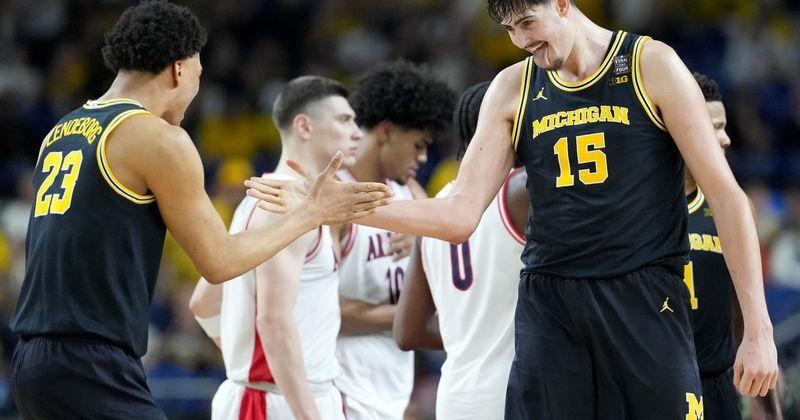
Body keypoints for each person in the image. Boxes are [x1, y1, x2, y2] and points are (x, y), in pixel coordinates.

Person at [248, 0, 778, 418]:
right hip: (553, 304)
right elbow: (458, 214)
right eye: (510, 30)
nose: (523, 41)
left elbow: (728, 198)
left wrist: (759, 331)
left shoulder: (651, 64)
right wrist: (342, 207)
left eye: (528, 21)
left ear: (564, 3)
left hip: (641, 295)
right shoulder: (513, 86)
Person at [7, 2, 391, 419]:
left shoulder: (60, 131)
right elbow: (220, 262)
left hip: (31, 358)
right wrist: (310, 213)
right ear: (178, 69)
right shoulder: (157, 137)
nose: (195, 91)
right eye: (198, 76)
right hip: (90, 361)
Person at [192, 75, 366, 420]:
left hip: (290, 394)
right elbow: (272, 320)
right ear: (304, 126)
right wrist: (254, 369)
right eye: (345, 120)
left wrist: (242, 354)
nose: (357, 132)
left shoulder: (274, 198)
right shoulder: (281, 206)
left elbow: (204, 302)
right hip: (275, 402)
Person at [393, 81, 528, 420]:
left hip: (455, 397)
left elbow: (407, 332)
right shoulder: (522, 188)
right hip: (516, 392)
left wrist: (470, 333)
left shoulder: (435, 207)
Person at [334, 60, 455, 420]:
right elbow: (313, 309)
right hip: (337, 390)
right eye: (418, 144)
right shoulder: (334, 196)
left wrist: (423, 242)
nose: (422, 157)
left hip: (393, 390)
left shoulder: (409, 194)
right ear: (386, 131)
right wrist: (405, 318)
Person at [686, 72, 783, 420]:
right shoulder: (640, 211)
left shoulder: (734, 211)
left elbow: (747, 318)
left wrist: (771, 410)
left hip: (718, 388)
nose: (726, 139)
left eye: (725, 125)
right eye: (714, 127)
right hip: (657, 386)